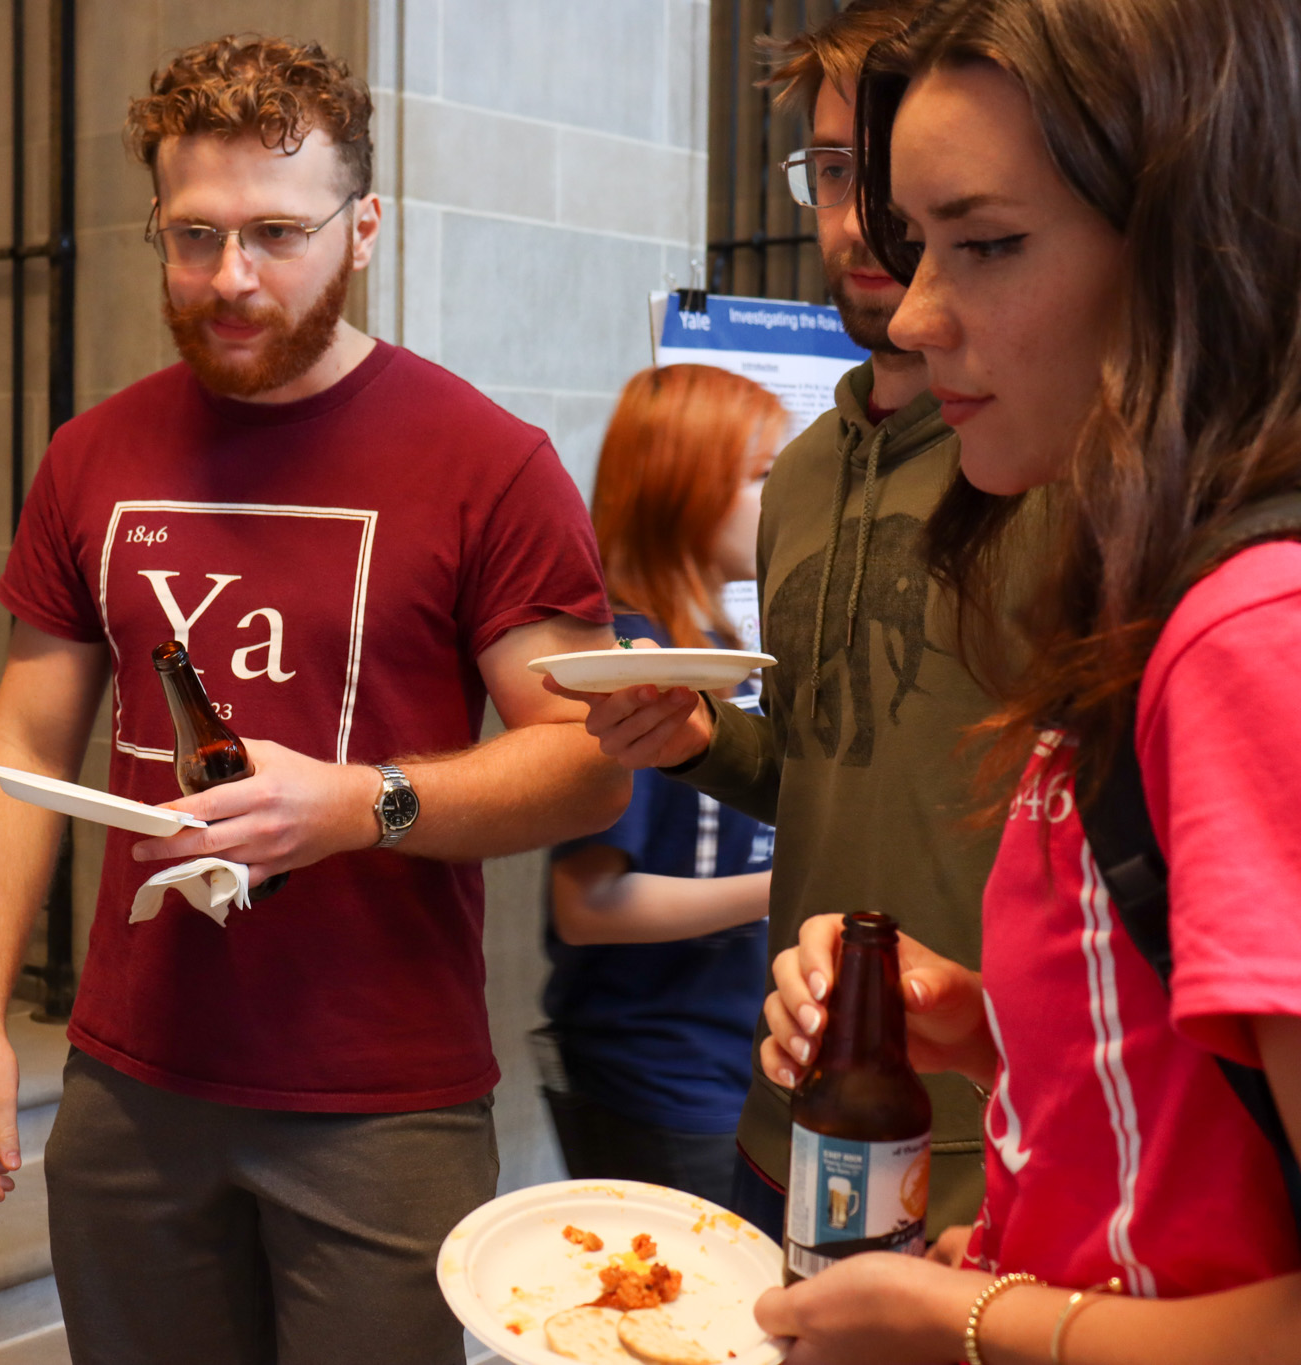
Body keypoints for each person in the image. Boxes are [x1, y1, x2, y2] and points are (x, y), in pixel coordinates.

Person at [0, 34, 628, 1365]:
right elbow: (21, 745)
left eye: (275, 233)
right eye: (195, 236)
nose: (230, 278)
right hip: (133, 1077)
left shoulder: (486, 461)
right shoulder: (92, 456)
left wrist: (365, 804)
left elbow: (588, 762)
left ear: (362, 227)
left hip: (381, 1098)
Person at [750, 0, 1301, 1359]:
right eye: (918, 246)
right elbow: (1198, 1135)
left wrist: (978, 1317)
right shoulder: (1143, 579)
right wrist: (1006, 1036)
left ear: (1196, 247)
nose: (924, 314)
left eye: (987, 245)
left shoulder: (1248, 633)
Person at [560, 0, 1015, 1243]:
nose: (861, 214)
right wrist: (696, 739)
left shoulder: (1047, 455)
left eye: (895, 174)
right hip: (778, 1111)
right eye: (828, 169)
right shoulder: (806, 469)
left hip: (989, 1138)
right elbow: (828, 771)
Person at [539, 364, 783, 1206]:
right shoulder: (632, 662)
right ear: (687, 488)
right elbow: (588, 903)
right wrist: (789, 887)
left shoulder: (714, 642)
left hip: (736, 1056)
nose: (780, 497)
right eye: (759, 475)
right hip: (662, 1072)